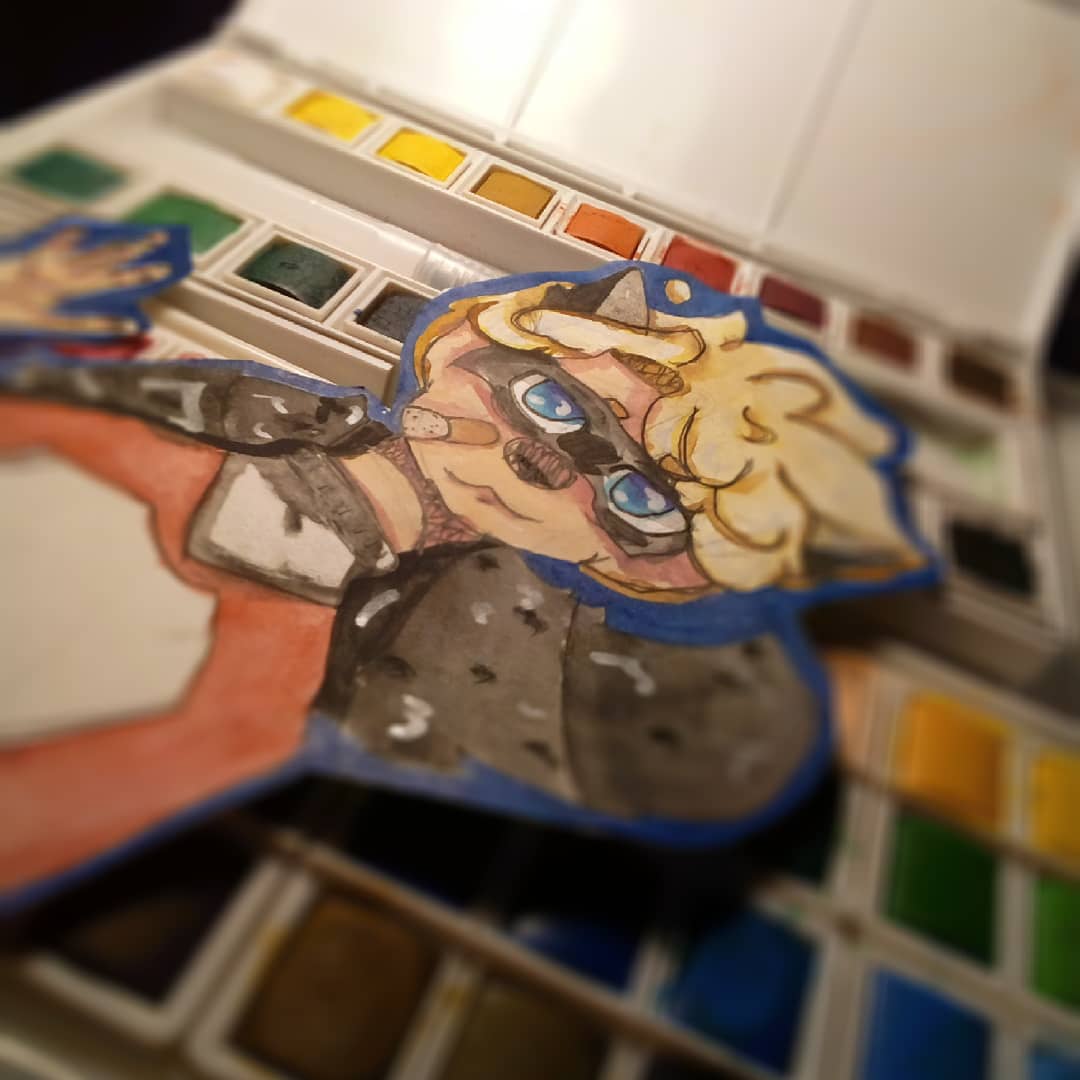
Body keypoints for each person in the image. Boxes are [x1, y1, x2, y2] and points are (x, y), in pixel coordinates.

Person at [0, 222, 932, 890]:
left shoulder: (452, 653)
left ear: (645, 567)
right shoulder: (245, 412)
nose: (542, 460)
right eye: (547, 400)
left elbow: (717, 754)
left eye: (632, 498)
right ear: (457, 349)